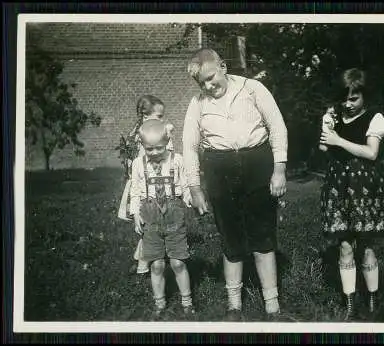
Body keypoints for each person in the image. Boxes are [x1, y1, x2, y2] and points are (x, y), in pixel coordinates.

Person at [182, 48, 288, 321]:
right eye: (201, 83)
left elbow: (277, 126)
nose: (208, 85)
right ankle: (234, 305)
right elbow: (190, 147)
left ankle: (272, 304)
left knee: (263, 235)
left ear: (223, 67)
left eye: (210, 77)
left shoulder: (253, 89)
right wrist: (195, 188)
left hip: (257, 164)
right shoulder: (198, 104)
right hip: (219, 169)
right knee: (230, 238)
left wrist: (279, 169)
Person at [318, 68, 384, 321]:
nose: (348, 104)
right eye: (344, 98)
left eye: (354, 98)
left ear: (364, 95)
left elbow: (371, 153)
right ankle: (350, 303)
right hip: (338, 186)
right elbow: (324, 147)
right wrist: (327, 128)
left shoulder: (375, 117)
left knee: (366, 245)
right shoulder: (334, 114)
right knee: (344, 245)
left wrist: (338, 141)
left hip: (364, 187)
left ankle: (373, 298)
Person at [129, 117, 194, 320]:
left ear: (167, 142)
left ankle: (187, 302)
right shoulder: (139, 164)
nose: (155, 153)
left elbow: (184, 185)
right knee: (156, 264)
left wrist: (190, 199)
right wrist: (136, 215)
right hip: (150, 214)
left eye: (159, 148)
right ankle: (159, 303)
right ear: (143, 146)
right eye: (150, 149)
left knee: (177, 262)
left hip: (174, 213)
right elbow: (135, 191)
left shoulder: (177, 160)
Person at [117, 95, 173, 275]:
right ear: (144, 116)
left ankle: (144, 260)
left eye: (162, 117)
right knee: (148, 226)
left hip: (156, 184)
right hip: (144, 187)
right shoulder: (143, 137)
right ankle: (143, 263)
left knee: (151, 226)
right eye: (159, 117)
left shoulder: (149, 134)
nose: (162, 121)